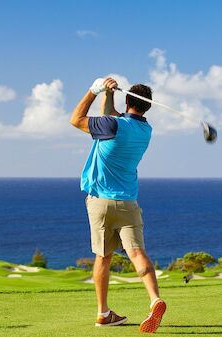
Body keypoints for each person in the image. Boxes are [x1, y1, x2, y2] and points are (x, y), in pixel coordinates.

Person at [69, 77, 166, 333]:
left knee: (103, 257)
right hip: (128, 203)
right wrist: (109, 94)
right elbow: (110, 115)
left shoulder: (112, 125)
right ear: (147, 107)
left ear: (127, 100)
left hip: (100, 202)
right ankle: (155, 299)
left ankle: (103, 313)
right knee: (137, 253)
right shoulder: (145, 131)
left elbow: (76, 120)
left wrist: (94, 89)